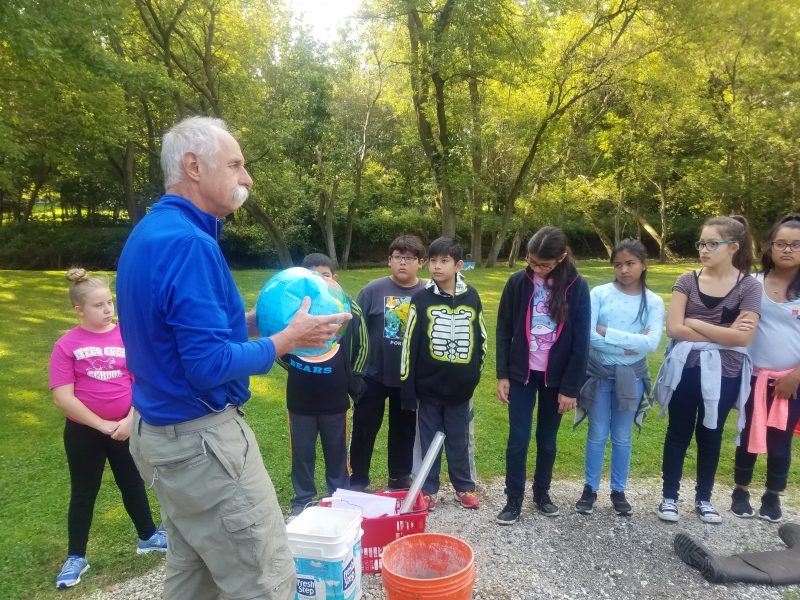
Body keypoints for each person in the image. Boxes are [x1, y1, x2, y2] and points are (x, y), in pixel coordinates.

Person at [116, 116, 349, 600]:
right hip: (201, 447)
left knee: (193, 571)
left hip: (160, 439)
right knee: (266, 580)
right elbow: (206, 367)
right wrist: (287, 341)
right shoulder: (189, 244)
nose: (247, 179)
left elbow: (182, 336)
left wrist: (265, 324)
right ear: (193, 166)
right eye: (237, 165)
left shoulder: (152, 232)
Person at [49, 268, 166, 589]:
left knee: (132, 482)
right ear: (79, 310)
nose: (107, 309)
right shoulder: (66, 345)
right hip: (85, 432)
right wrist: (102, 425)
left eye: (109, 302)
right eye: (98, 305)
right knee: (84, 492)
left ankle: (147, 536)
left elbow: (141, 380)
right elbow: (63, 397)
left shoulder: (126, 336)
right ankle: (76, 556)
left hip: (125, 426)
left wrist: (129, 419)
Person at [654, 216, 761, 524]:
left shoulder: (749, 287)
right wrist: (721, 331)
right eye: (702, 242)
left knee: (711, 435)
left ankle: (704, 499)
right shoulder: (687, 280)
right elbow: (674, 328)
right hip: (685, 370)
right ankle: (669, 497)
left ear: (733, 248)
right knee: (678, 433)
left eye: (713, 243)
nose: (704, 249)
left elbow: (743, 337)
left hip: (726, 374)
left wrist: (695, 322)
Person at [495, 226, 591, 525]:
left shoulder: (576, 286)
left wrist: (571, 389)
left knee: (547, 441)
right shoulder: (517, 283)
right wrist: (502, 375)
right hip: (522, 375)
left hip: (557, 380)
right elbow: (503, 329)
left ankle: (542, 494)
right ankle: (513, 500)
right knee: (518, 439)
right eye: (532, 261)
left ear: (561, 258)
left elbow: (580, 341)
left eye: (544, 265)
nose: (536, 268)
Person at [574, 239, 664, 516]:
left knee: (622, 436)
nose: (624, 270)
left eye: (630, 263)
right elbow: (588, 335)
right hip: (599, 373)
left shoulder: (654, 301)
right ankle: (589, 489)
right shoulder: (599, 294)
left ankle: (619, 490)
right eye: (618, 264)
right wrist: (628, 344)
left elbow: (651, 343)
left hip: (632, 377)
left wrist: (609, 334)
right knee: (597, 432)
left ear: (643, 264)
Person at [400, 238, 487, 510]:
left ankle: (464, 487)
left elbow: (481, 339)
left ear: (459, 265)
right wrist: (408, 389)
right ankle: (428, 489)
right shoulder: (420, 299)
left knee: (459, 440)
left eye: (444, 261)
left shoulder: (472, 296)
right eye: (434, 260)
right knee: (428, 441)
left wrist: (473, 377)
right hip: (428, 390)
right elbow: (408, 344)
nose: (437, 266)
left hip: (461, 391)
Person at [278, 253, 368, 516]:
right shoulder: (291, 311)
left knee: (337, 451)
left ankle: (339, 497)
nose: (320, 281)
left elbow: (362, 342)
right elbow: (278, 347)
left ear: (334, 278)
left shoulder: (348, 307)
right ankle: (303, 499)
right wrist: (297, 365)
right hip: (300, 399)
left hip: (334, 399)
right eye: (313, 277)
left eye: (325, 276)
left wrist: (355, 376)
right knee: (302, 454)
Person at [730, 215, 800, 523]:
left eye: (796, 245)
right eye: (781, 243)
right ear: (769, 247)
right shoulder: (752, 284)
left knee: (780, 441)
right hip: (753, 377)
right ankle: (740, 490)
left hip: (791, 382)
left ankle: (772, 496)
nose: (788, 250)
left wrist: (795, 376)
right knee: (746, 436)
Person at [349, 235, 427, 491]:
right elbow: (354, 330)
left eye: (409, 258)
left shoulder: (428, 293)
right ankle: (359, 477)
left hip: (409, 377)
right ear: (389, 260)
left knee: (404, 430)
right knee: (364, 428)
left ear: (421, 262)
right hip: (373, 375)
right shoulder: (373, 290)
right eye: (397, 257)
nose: (402, 263)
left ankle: (399, 477)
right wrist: (353, 373)